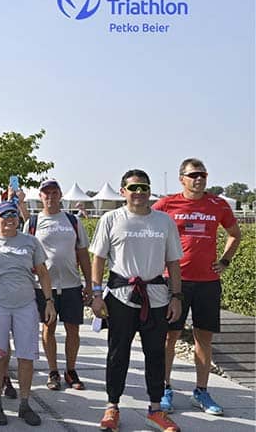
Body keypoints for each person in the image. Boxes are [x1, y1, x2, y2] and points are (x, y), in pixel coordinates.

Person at [90, 169, 183, 432]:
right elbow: (98, 258)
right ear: (123, 192)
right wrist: (96, 295)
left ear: (150, 191)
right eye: (133, 188)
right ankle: (112, 407)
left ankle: (155, 409)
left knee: (155, 354)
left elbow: (173, 262)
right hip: (121, 296)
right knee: (118, 353)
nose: (139, 192)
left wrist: (176, 297)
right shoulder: (111, 219)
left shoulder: (164, 221)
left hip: (156, 297)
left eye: (144, 187)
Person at [153, 159, 241, 416]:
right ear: (182, 178)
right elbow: (146, 226)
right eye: (193, 175)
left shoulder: (218, 204)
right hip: (174, 281)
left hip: (208, 283)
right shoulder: (166, 204)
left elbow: (235, 234)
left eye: (202, 174)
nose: (199, 179)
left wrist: (224, 261)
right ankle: (164, 389)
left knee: (204, 338)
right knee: (169, 337)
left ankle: (201, 391)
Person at [0, 201, 55, 426]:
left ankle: (24, 405)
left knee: (26, 357)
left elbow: (43, 273)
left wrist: (49, 302)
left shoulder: (31, 241)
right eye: (4, 215)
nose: (10, 218)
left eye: (13, 214)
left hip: (26, 305)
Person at [26, 179, 92, 392]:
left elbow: (83, 253)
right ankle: (53, 370)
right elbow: (26, 254)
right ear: (40, 196)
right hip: (45, 287)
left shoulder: (73, 220)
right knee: (49, 327)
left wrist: (89, 284)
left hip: (72, 284)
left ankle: (70, 370)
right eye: (46, 193)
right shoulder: (33, 222)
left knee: (73, 329)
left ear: (60, 195)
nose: (50, 196)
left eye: (54, 192)